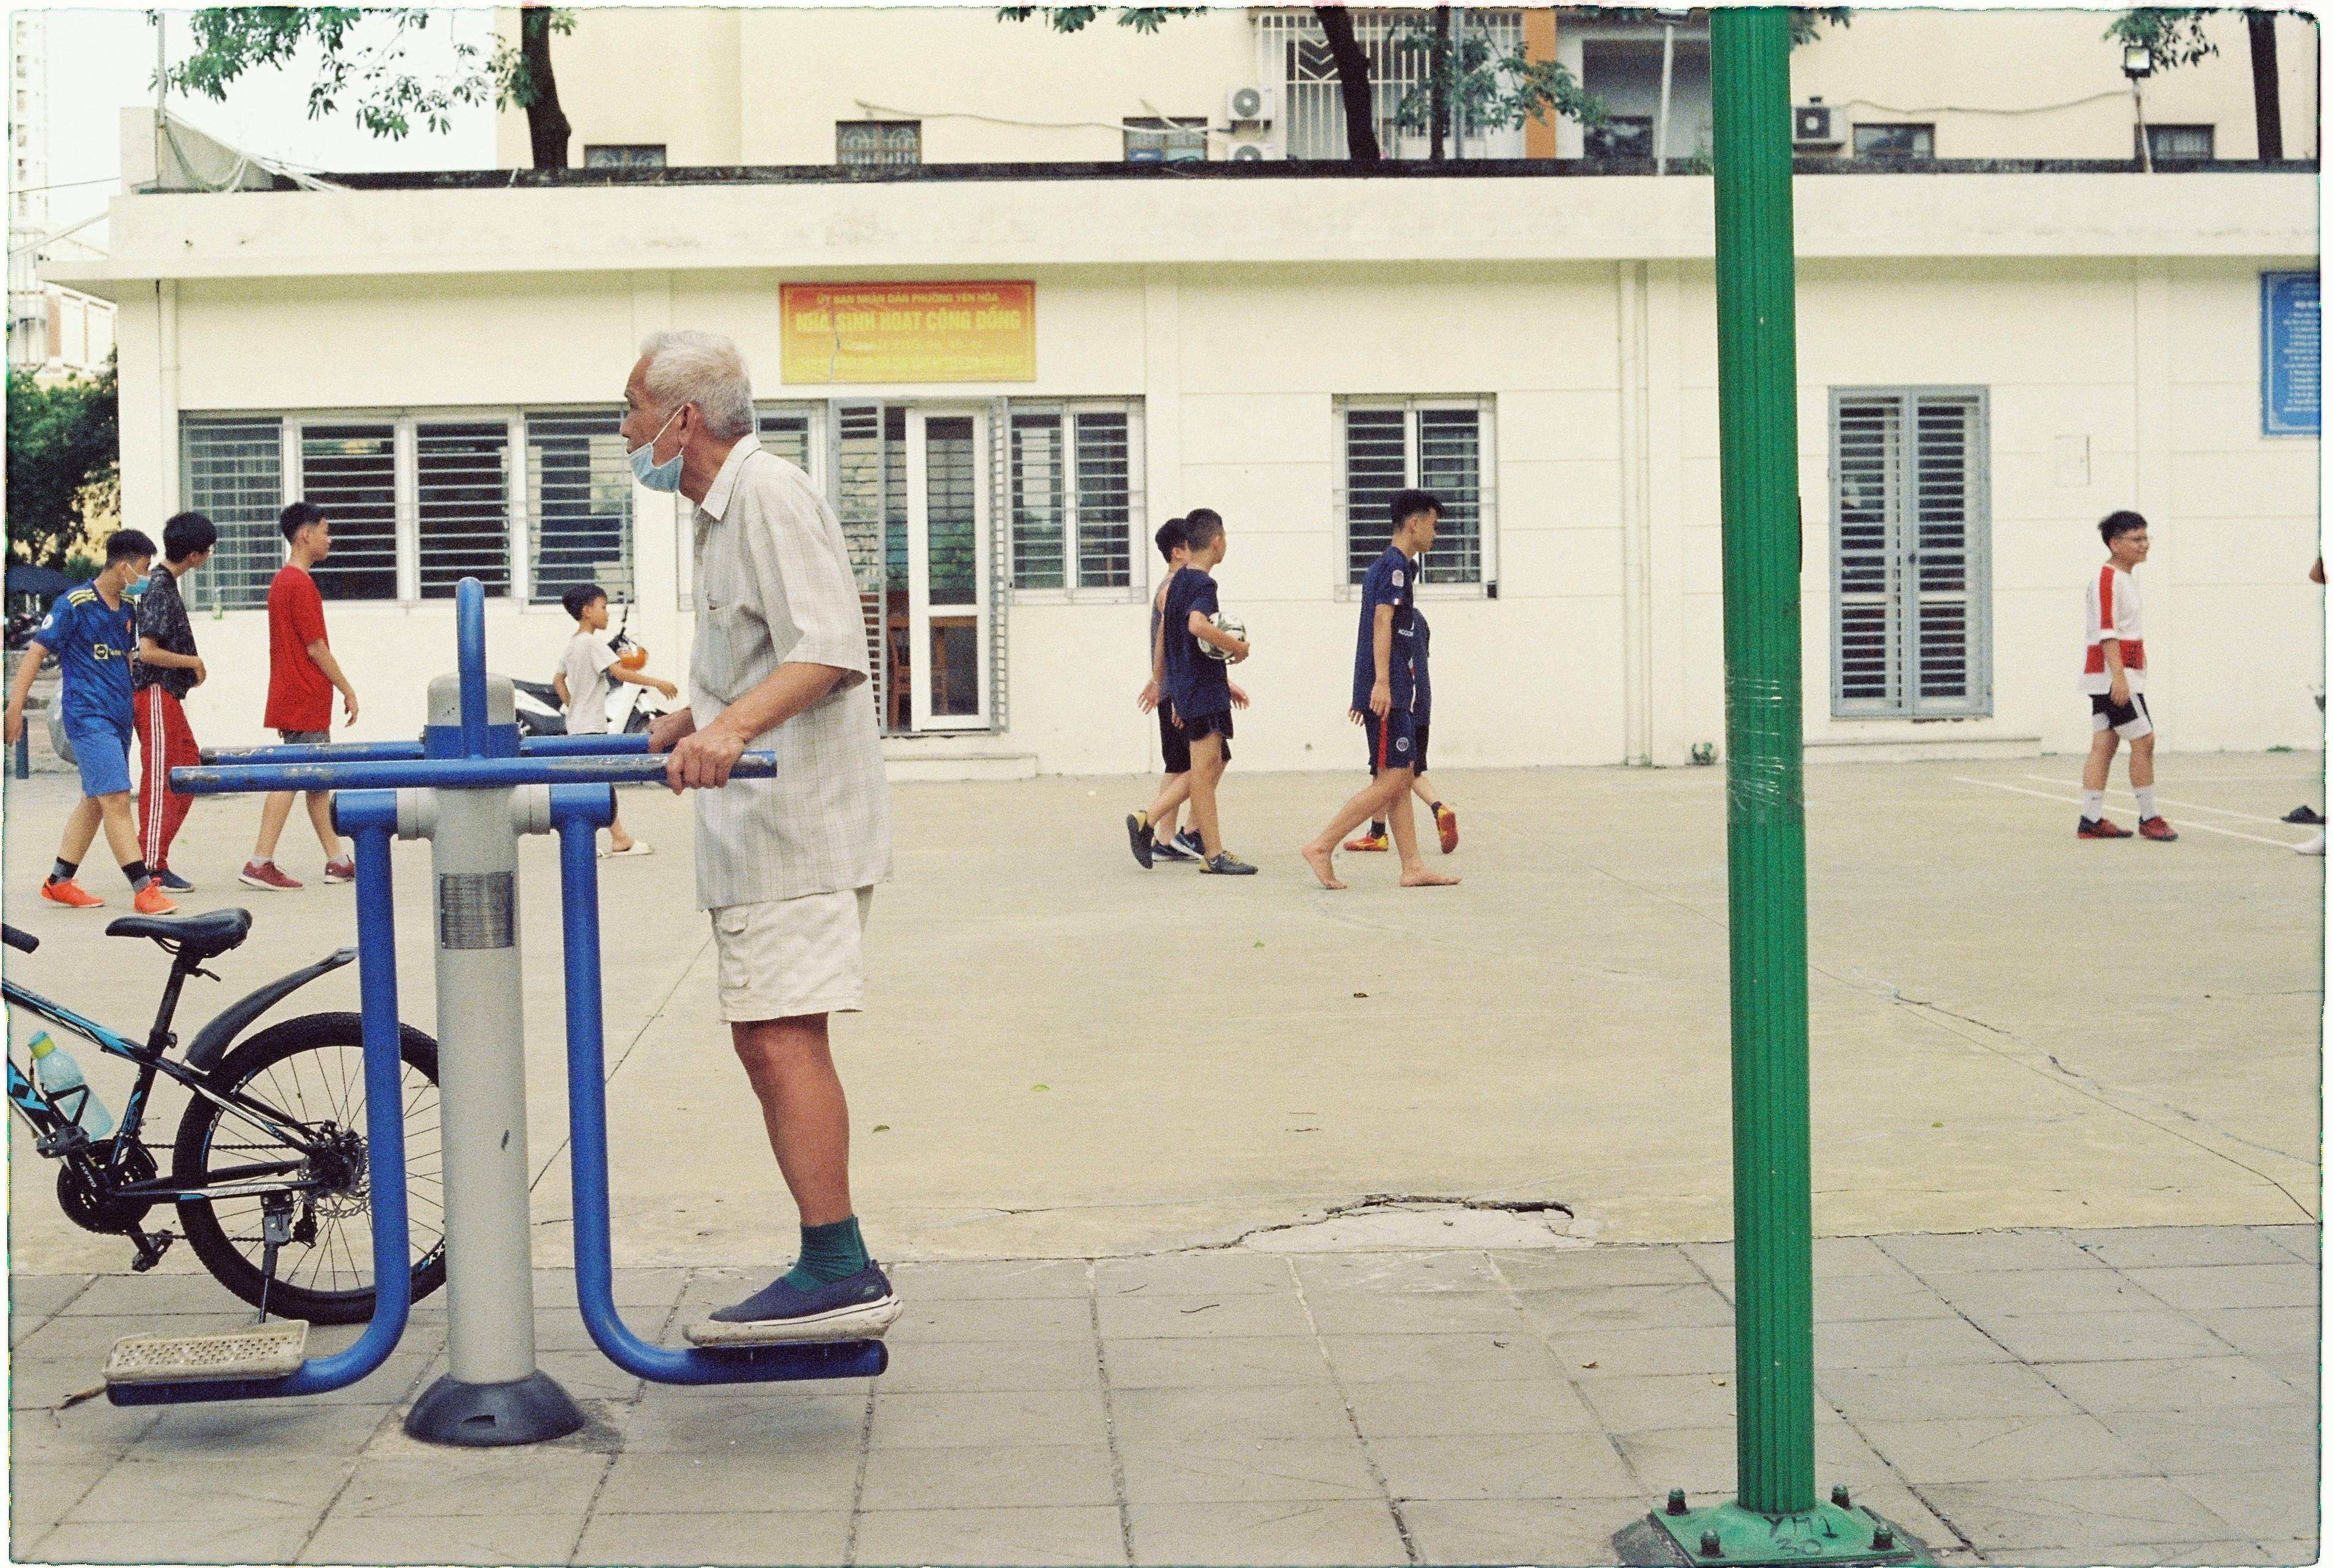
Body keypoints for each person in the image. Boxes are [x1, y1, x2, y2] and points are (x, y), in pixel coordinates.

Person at [626, 329, 901, 1341]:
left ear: (681, 419)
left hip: (798, 828)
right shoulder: (720, 513)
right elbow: (762, 653)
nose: (626, 435)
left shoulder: (770, 495)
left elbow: (828, 645)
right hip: (764, 831)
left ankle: (838, 1264)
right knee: (768, 1032)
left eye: (631, 412)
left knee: (783, 1036)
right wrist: (697, 714)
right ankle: (832, 1254)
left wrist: (734, 724)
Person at [3, 529, 177, 914]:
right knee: (115, 797)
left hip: (119, 718)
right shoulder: (75, 604)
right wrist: (14, 709)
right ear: (124, 566)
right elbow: (35, 654)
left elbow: (129, 662)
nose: (147, 576)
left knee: (96, 800)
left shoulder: (128, 610)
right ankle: (143, 888)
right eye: (145, 569)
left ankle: (59, 881)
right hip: (87, 716)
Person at [1302, 491, 1462, 891]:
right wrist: (1381, 684)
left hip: (1392, 691)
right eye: (1434, 525)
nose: (1435, 534)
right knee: (1392, 779)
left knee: (1401, 775)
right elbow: (1380, 623)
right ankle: (1321, 846)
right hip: (1389, 694)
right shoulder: (1393, 567)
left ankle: (1412, 867)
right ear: (1415, 523)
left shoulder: (1394, 567)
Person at [242, 501, 361, 891]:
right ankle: (260, 861)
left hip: (295, 694)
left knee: (315, 780)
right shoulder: (299, 584)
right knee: (292, 776)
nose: (329, 539)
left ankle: (337, 859)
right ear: (305, 535)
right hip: (305, 695)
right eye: (325, 531)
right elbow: (316, 647)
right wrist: (347, 688)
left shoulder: (283, 582)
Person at [1140, 508, 1254, 875]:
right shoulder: (1203, 585)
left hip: (1189, 689)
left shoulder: (1174, 585)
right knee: (1202, 772)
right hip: (1203, 690)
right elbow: (1197, 625)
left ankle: (1159, 824)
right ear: (1217, 542)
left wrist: (1164, 684)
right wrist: (1237, 647)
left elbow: (1163, 641)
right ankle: (1209, 852)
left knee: (1206, 768)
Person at [554, 580, 679, 858]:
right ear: (587, 611)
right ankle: (613, 838)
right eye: (603, 607)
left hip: (577, 726)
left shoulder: (573, 645)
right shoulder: (592, 644)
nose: (607, 613)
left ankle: (612, 837)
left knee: (592, 782)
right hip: (591, 728)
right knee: (598, 783)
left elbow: (558, 681)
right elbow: (620, 674)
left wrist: (574, 706)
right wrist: (658, 682)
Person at [131, 511, 217, 893]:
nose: (209, 555)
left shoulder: (162, 585)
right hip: (153, 692)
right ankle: (151, 865)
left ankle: (155, 854)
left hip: (165, 694)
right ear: (195, 555)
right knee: (164, 777)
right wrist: (192, 662)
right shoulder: (159, 587)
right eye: (208, 549)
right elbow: (147, 651)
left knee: (187, 765)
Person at [2078, 510, 2174, 842]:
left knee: (2104, 744)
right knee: (2144, 741)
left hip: (2119, 676)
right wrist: (2119, 678)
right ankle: (2149, 818)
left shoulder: (2126, 579)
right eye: (2136, 539)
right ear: (2115, 544)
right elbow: (2107, 631)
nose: (2144, 545)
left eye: (2146, 538)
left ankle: (2090, 820)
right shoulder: (2107, 578)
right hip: (2112, 678)